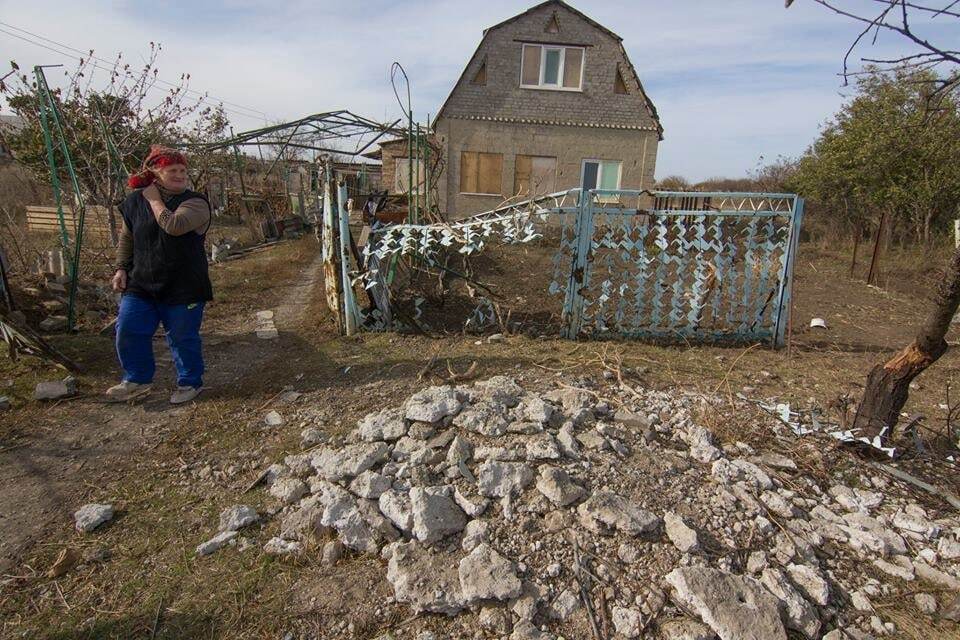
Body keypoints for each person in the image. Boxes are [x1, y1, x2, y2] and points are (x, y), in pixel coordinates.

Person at [105, 145, 213, 404]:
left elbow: (173, 226)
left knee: (181, 337)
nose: (180, 175)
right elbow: (127, 238)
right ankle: (136, 379)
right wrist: (121, 268)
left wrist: (154, 199)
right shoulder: (133, 203)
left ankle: (190, 383)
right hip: (142, 282)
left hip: (184, 284)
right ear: (154, 172)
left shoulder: (195, 202)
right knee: (128, 329)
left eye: (183, 170)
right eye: (172, 170)